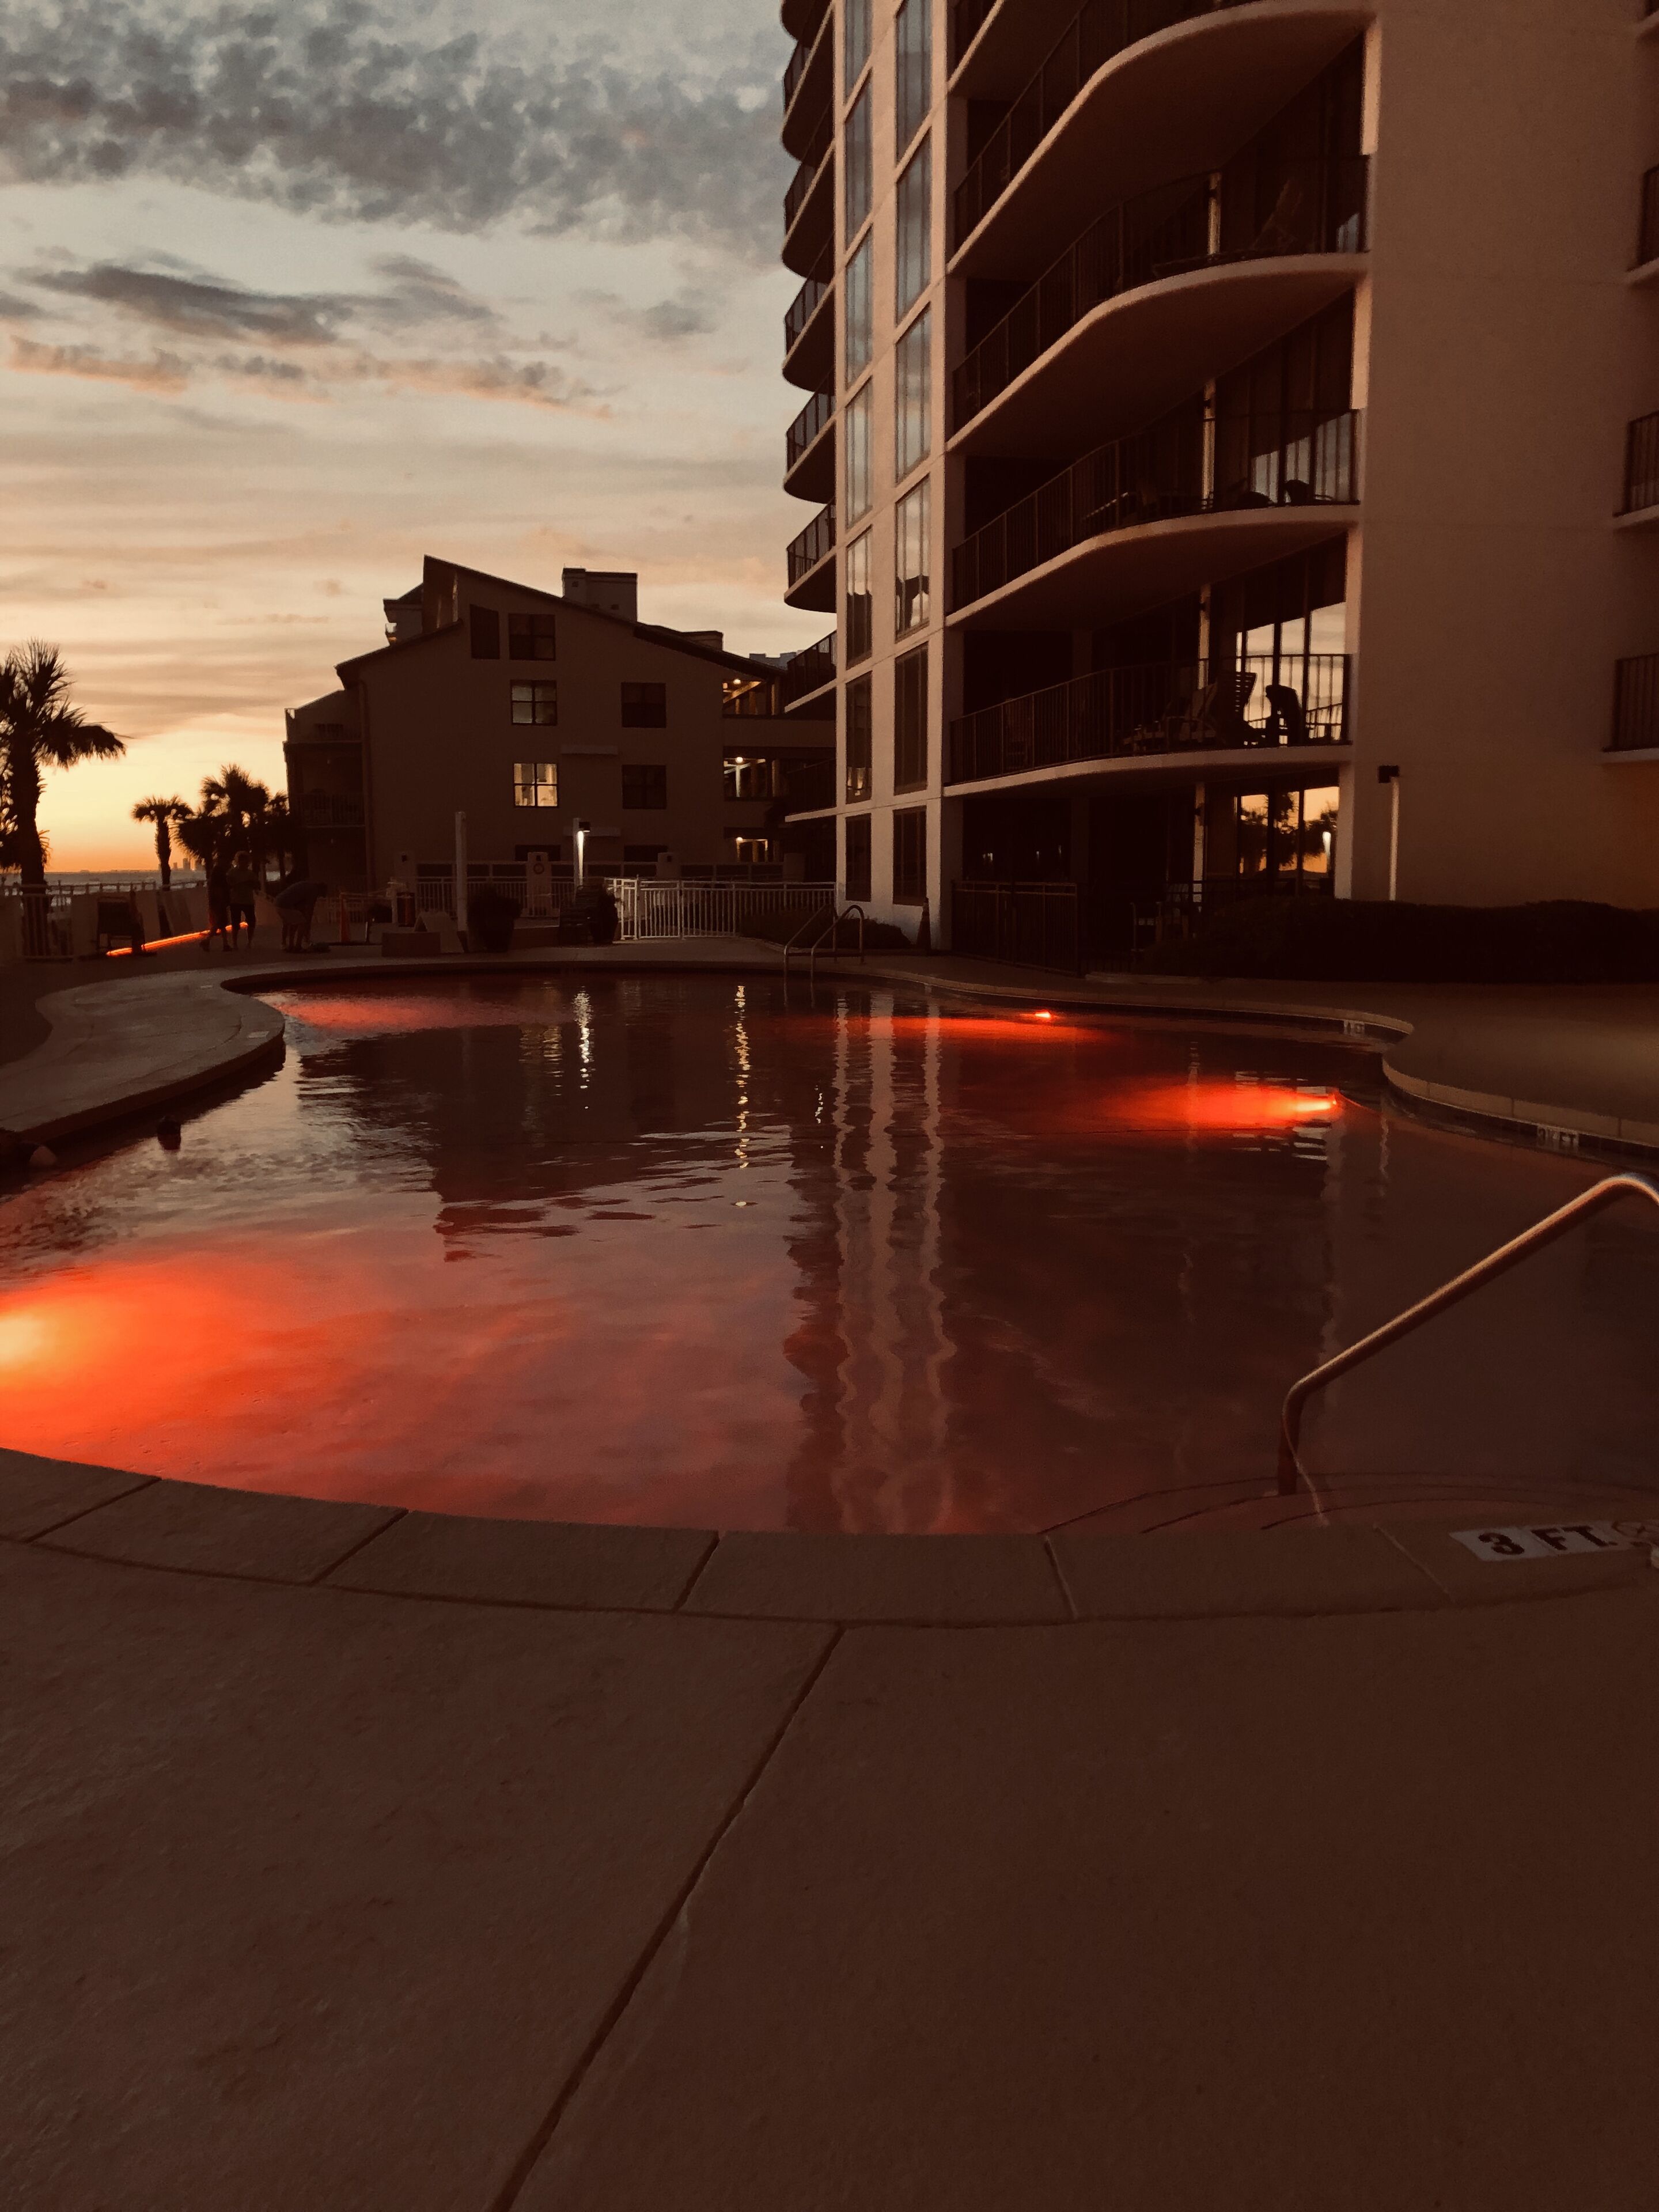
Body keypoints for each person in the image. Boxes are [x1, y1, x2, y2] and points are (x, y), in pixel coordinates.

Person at [274, 876, 329, 952]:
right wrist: (308, 927)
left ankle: (290, 945)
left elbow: (301, 907)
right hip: (285, 905)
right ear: (321, 890)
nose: (319, 897)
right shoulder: (314, 891)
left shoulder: (307, 886)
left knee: (292, 923)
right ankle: (298, 946)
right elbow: (310, 910)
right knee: (302, 922)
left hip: (278, 902)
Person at [224, 852, 258, 952]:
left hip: (248, 901)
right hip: (236, 901)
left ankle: (249, 942)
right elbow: (228, 884)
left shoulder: (250, 873)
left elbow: (256, 885)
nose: (243, 862)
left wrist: (250, 884)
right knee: (235, 923)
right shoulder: (232, 872)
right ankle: (235, 943)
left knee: (252, 922)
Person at [205, 860, 232, 953]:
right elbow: (220, 893)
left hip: (217, 904)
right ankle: (224, 944)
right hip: (220, 904)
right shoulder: (220, 883)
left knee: (219, 925)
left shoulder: (213, 883)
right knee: (221, 924)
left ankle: (208, 942)